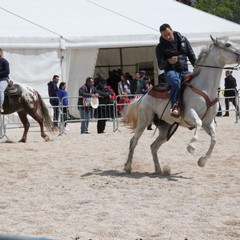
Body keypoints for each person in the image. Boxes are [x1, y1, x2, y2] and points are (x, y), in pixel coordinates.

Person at [155, 23, 196, 116]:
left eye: (168, 33)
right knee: (175, 82)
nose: (167, 37)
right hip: (170, 71)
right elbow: (160, 66)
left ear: (172, 30)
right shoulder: (160, 47)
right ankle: (175, 105)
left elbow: (192, 56)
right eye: (164, 35)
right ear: (161, 35)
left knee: (195, 81)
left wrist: (198, 69)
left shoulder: (184, 40)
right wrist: (168, 61)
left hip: (185, 70)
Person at [0, 48, 10, 113]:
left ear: (1, 53)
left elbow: (7, 71)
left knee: (0, 89)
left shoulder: (4, 61)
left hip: (4, 79)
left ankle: (1, 106)